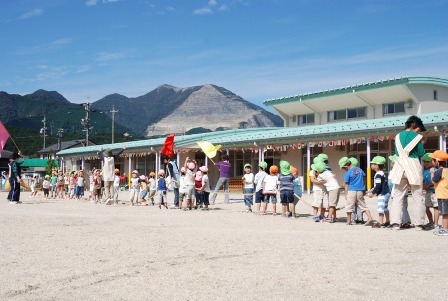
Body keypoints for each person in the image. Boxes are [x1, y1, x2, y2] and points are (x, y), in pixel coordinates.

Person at [390, 115, 426, 230]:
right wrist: (423, 142)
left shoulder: (397, 136)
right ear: (416, 126)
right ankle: (419, 224)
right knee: (417, 196)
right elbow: (421, 153)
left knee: (397, 196)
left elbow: (397, 152)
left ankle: (395, 223)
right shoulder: (417, 137)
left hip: (400, 166)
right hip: (413, 166)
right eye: (419, 128)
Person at [339, 157, 374, 226]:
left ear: (345, 166)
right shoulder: (360, 170)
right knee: (362, 204)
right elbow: (364, 179)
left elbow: (346, 184)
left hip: (351, 190)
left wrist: (346, 194)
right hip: (360, 190)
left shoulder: (348, 172)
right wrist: (364, 189)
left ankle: (349, 221)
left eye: (343, 168)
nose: (344, 170)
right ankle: (370, 217)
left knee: (349, 205)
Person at [368, 156, 391, 228]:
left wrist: (372, 193)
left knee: (380, 208)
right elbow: (380, 184)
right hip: (386, 193)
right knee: (385, 208)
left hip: (382, 194)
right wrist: (372, 189)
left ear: (377, 166)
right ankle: (387, 221)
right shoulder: (382, 173)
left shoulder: (378, 174)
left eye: (373, 164)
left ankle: (380, 223)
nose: (371, 165)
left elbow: (378, 185)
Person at [430, 150, 448, 236]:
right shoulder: (446, 170)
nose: (432, 162)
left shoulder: (439, 171)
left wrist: (432, 173)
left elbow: (434, 180)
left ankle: (445, 229)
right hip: (446, 194)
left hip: (443, 195)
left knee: (444, 213)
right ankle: (445, 227)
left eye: (433, 160)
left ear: (437, 161)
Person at [422, 153, 439, 229]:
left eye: (428, 162)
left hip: (435, 192)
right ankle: (431, 222)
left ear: (433, 161)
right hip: (428, 192)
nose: (426, 163)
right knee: (426, 208)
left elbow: (437, 181)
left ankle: (436, 223)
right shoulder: (424, 171)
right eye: (424, 162)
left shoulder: (436, 170)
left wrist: (430, 185)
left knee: (436, 207)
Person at [310, 157, 328, 222]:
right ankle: (315, 216)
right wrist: (319, 182)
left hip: (325, 189)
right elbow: (312, 179)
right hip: (317, 189)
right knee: (316, 203)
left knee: (324, 203)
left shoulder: (326, 171)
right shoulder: (312, 171)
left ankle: (322, 215)